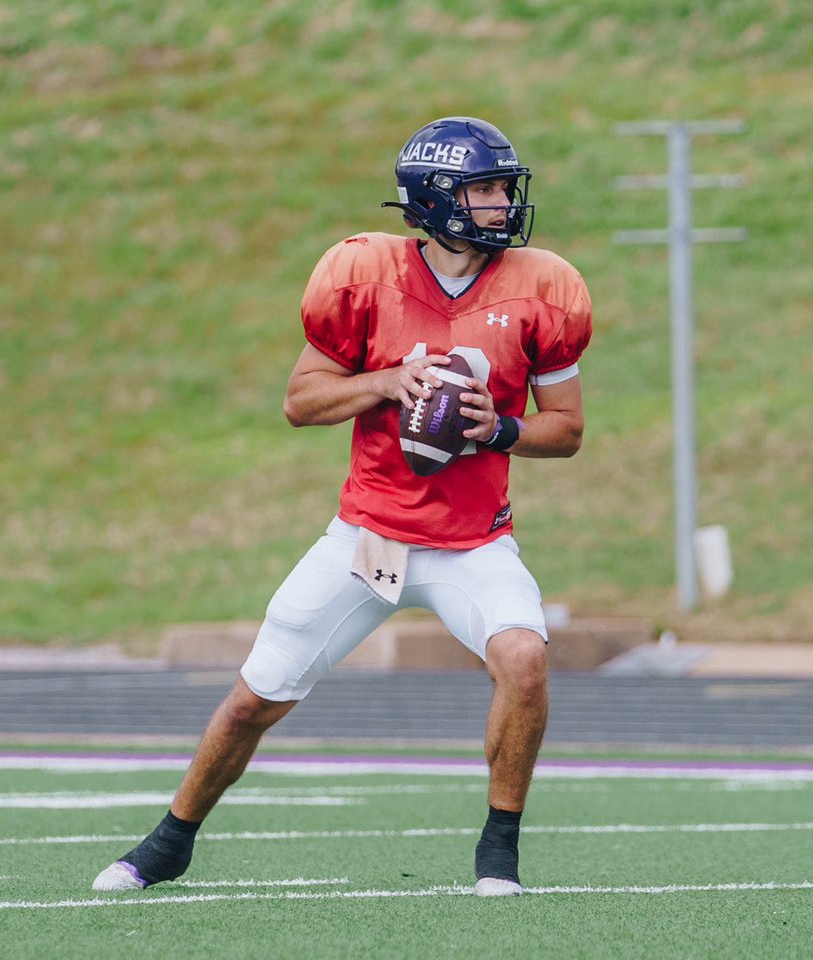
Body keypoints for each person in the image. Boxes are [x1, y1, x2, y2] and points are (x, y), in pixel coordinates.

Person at [93, 116, 593, 897]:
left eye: (503, 188)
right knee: (256, 696)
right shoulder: (363, 276)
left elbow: (566, 431)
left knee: (525, 661)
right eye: (486, 189)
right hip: (374, 537)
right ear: (436, 200)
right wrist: (386, 382)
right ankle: (170, 840)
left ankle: (499, 851)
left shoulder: (544, 286)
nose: (502, 204)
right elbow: (301, 401)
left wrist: (498, 429)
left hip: (472, 542)